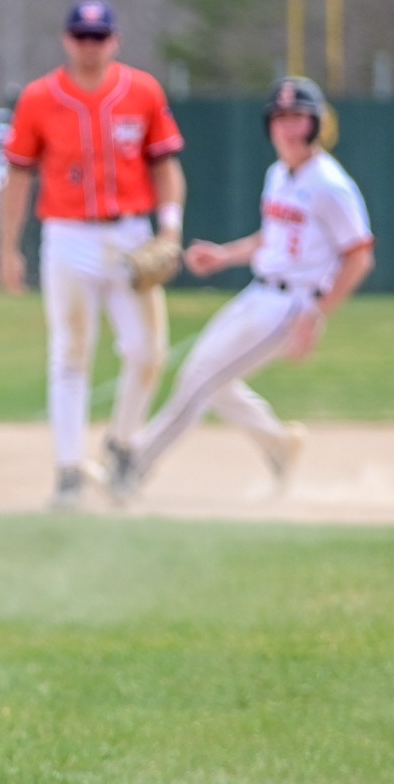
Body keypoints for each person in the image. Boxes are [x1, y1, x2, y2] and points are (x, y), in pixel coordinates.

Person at [108, 77, 374, 500]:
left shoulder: (330, 184)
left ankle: (134, 464)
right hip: (259, 291)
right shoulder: (278, 174)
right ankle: (277, 445)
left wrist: (317, 314)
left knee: (198, 380)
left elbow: (359, 256)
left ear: (316, 124)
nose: (288, 127)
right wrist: (224, 255)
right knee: (211, 376)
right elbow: (272, 237)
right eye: (281, 117)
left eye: (299, 117)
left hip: (291, 305)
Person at [0, 1, 187, 509]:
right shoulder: (39, 99)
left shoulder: (142, 91)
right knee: (70, 354)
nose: (89, 44)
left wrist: (170, 230)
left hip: (130, 234)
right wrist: (8, 247)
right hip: (67, 236)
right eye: (81, 35)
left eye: (98, 36)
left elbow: (167, 166)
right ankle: (68, 473)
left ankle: (122, 444)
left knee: (149, 351)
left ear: (115, 41)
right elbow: (17, 177)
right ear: (67, 40)